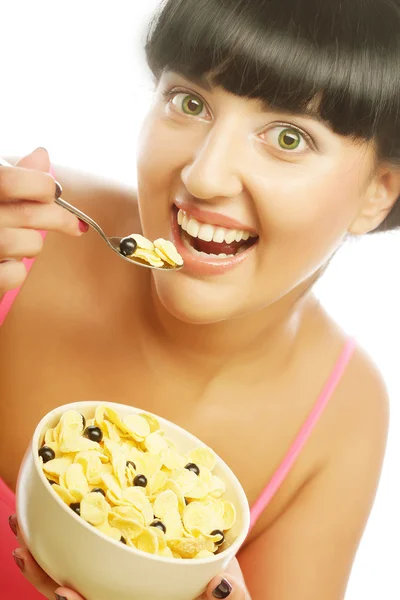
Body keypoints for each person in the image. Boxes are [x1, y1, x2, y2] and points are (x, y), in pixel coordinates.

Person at [1, 0, 399, 598]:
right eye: (190, 102)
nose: (205, 176)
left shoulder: (340, 418)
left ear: (378, 193)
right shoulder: (26, 232)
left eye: (288, 137)